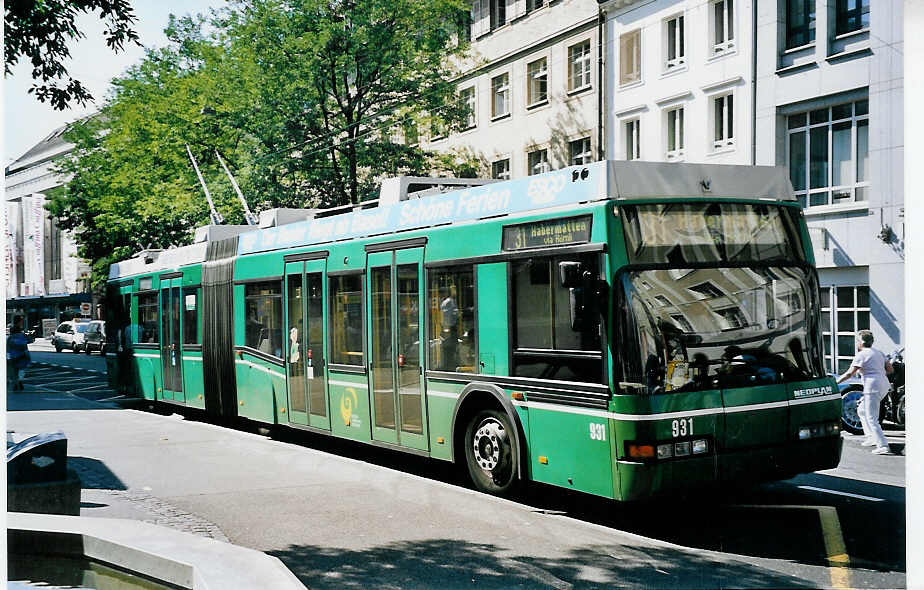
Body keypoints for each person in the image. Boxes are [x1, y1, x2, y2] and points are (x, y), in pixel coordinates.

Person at [837, 330, 893, 455]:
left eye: (857, 341)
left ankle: (883, 445)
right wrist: (877, 373)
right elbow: (890, 369)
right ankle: (871, 437)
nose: (856, 343)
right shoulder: (879, 353)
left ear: (861, 342)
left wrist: (836, 383)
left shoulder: (861, 355)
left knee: (872, 418)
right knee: (862, 410)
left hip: (872, 386)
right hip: (883, 384)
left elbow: (849, 373)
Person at [7, 318, 32, 392]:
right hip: (23, 355)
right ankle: (20, 380)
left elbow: (8, 348)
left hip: (13, 355)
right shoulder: (23, 335)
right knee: (22, 369)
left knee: (14, 370)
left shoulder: (10, 337)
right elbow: (30, 341)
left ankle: (15, 383)